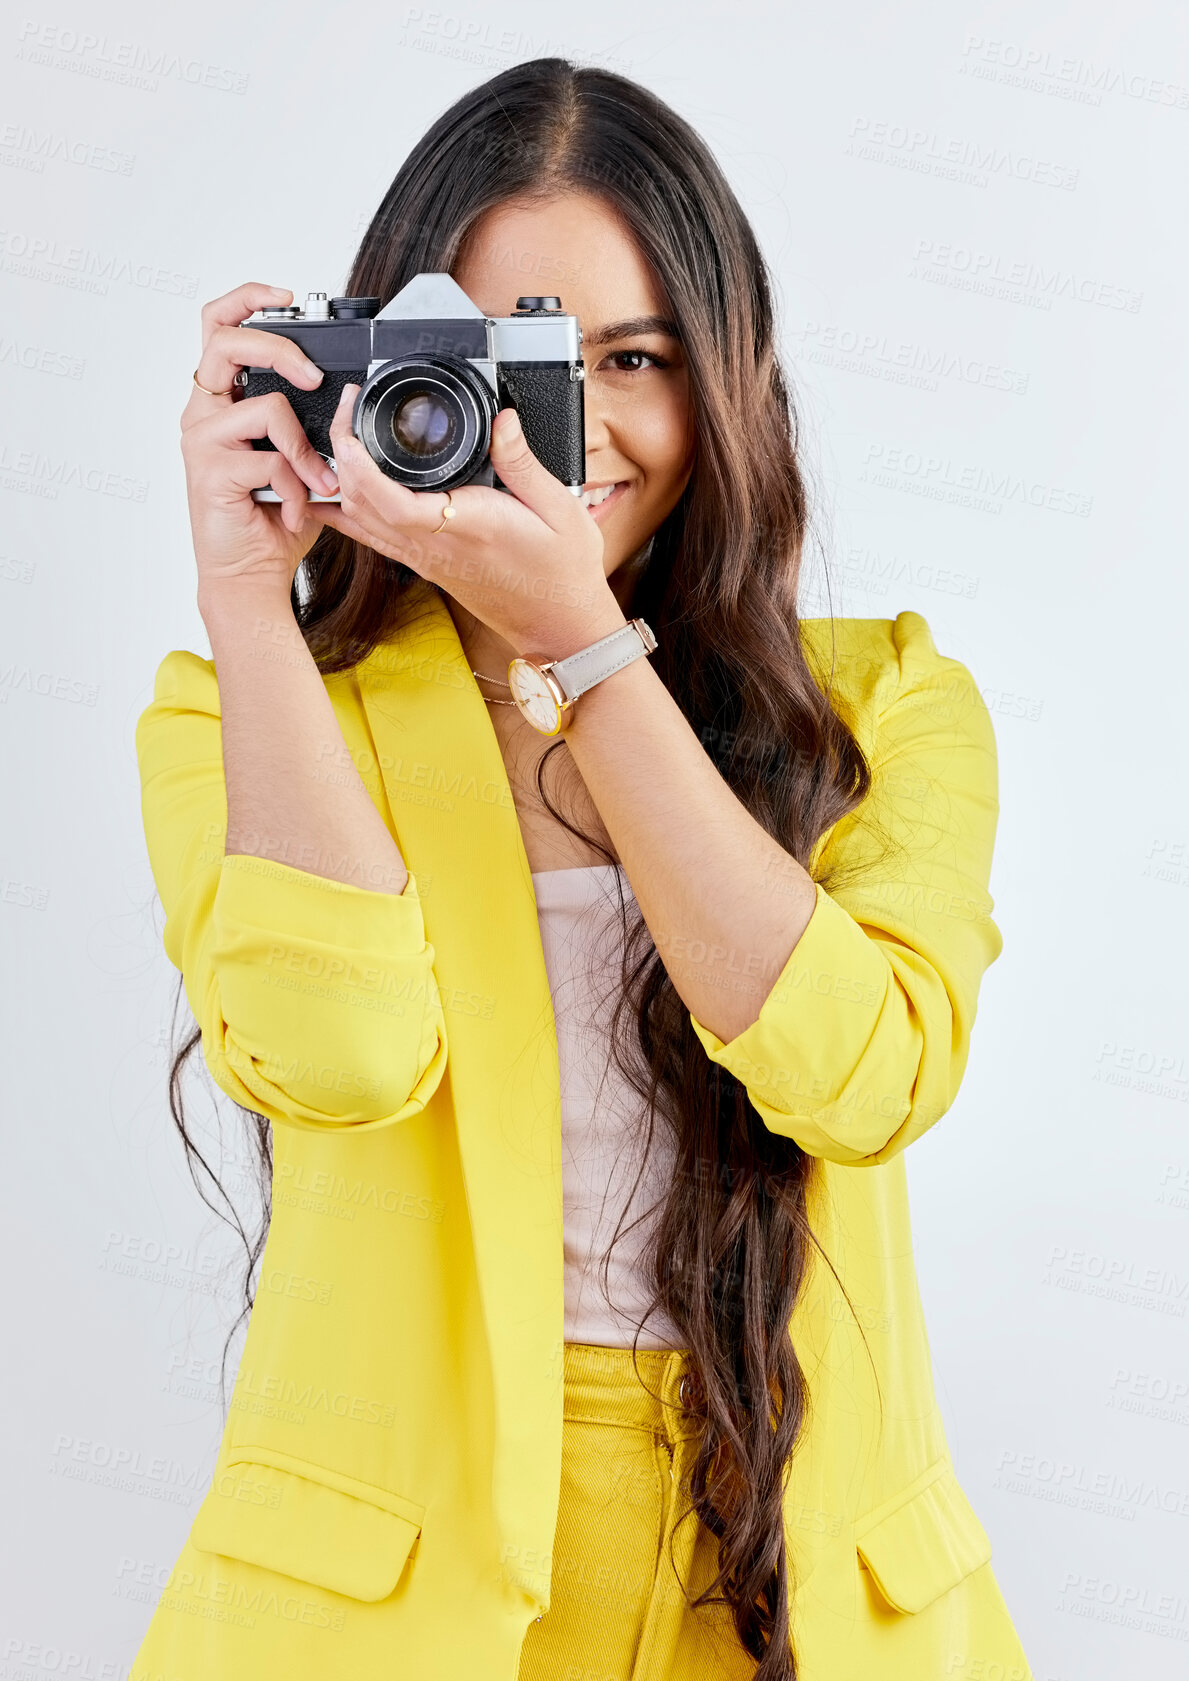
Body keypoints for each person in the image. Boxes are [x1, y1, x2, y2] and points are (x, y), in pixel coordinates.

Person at [130, 57, 1033, 1681]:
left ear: (728, 379)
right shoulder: (250, 711)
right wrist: (248, 598)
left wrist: (581, 645)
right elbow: (340, 1056)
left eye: (628, 358)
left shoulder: (885, 704)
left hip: (781, 1571)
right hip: (396, 1602)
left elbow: (863, 1079)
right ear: (371, 370)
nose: (571, 425)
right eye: (496, 361)